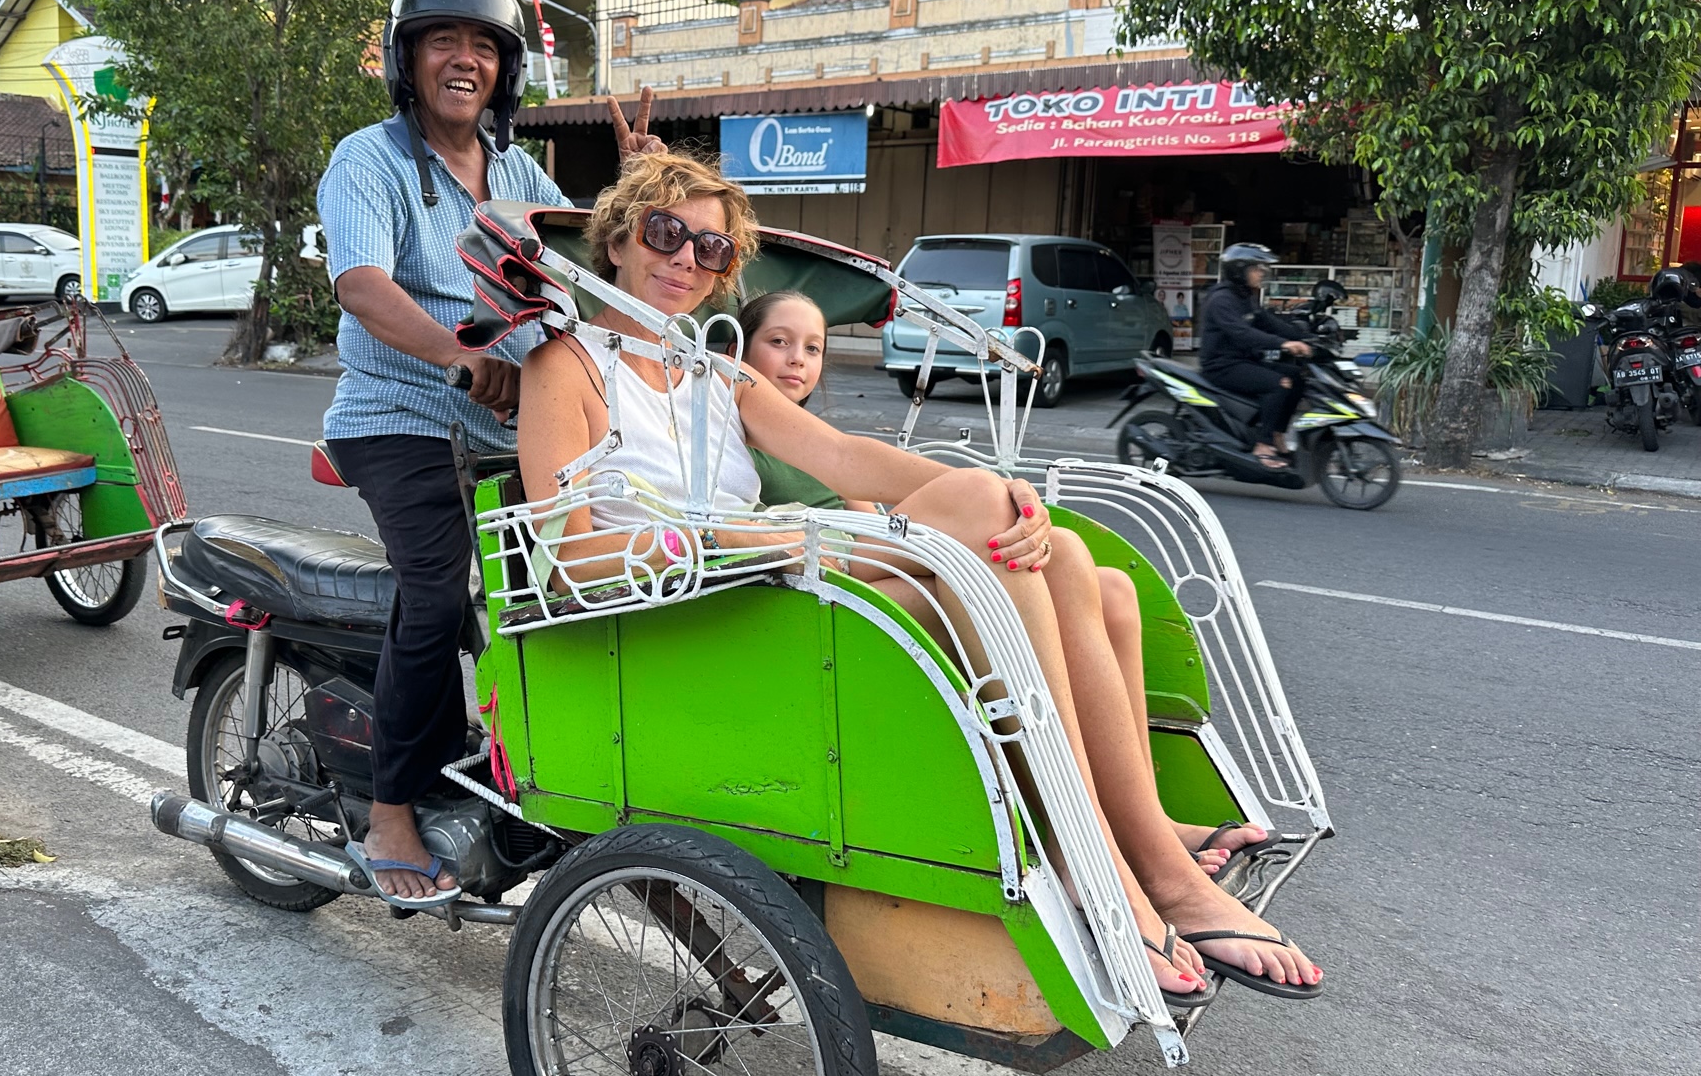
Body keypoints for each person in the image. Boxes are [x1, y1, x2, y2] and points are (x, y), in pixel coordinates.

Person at [518, 156, 1321, 1000]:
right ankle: (1127, 873)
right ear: (616, 238)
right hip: (692, 613)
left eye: (710, 249)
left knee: (1061, 551)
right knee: (988, 516)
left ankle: (1137, 859)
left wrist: (1011, 499)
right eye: (667, 233)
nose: (685, 260)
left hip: (780, 582)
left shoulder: (716, 368)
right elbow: (569, 558)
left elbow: (842, 455)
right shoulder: (566, 368)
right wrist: (762, 541)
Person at [318, 0, 664, 908]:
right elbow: (362, 285)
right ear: (409, 60)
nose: (465, 61)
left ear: (506, 72)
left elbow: (583, 263)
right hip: (401, 414)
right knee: (437, 592)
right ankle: (390, 810)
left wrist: (634, 195)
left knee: (573, 578)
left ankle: (523, 763)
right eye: (444, 42)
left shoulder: (514, 170)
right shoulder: (370, 161)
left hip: (504, 422)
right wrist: (457, 356)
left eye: (483, 48)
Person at [737, 288, 1271, 880]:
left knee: (1111, 588)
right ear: (741, 345)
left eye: (812, 348)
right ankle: (1083, 835)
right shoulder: (741, 417)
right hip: (814, 563)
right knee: (994, 520)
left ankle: (1143, 817)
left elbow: (865, 505)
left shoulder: (811, 431)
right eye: (777, 343)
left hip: (863, 547)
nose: (796, 360)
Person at [1199, 243, 1312, 471]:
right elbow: (1244, 334)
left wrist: (1307, 338)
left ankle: (1277, 433)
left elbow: (1269, 323)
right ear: (1239, 271)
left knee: (1297, 376)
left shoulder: (1244, 297)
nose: (1261, 273)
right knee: (1279, 384)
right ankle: (1263, 444)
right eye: (1256, 268)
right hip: (1221, 365)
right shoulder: (1221, 300)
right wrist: (1284, 344)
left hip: (1243, 360)